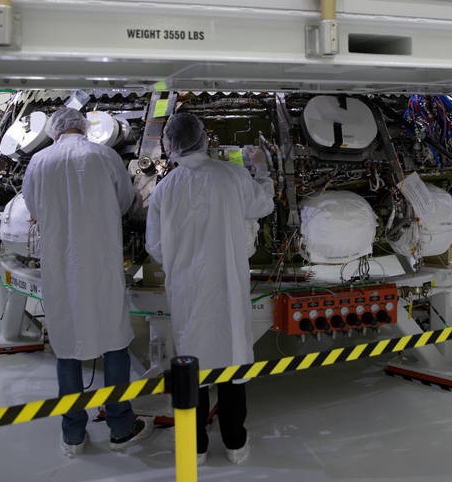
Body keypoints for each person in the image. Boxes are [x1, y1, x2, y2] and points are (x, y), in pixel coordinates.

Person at [145, 112, 274, 465]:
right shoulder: (231, 175)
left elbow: (154, 247)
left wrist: (182, 255)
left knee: (193, 366)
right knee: (231, 360)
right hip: (228, 284)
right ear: (204, 138)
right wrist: (261, 168)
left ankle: (197, 448)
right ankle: (235, 443)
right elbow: (263, 204)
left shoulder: (165, 189)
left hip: (187, 290)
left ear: (171, 145)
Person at [21, 106, 150, 457]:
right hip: (101, 264)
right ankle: (121, 427)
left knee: (65, 346)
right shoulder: (105, 156)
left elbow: (32, 205)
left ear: (55, 130)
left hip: (60, 267)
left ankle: (73, 434)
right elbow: (125, 201)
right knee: (114, 341)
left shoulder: (39, 162)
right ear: (83, 126)